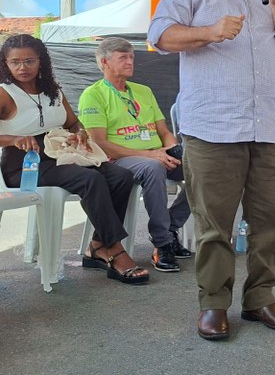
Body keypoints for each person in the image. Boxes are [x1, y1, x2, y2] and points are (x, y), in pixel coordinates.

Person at [148, 0, 275, 340]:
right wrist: (209, 32)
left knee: (271, 220)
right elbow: (159, 34)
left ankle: (261, 299)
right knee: (214, 222)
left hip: (271, 124)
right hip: (214, 124)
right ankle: (214, 304)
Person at [0, 34, 148, 284]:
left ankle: (99, 244)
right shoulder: (4, 93)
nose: (22, 68)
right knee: (89, 179)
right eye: (15, 62)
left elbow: (72, 122)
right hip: (25, 164)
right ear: (5, 63)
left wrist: (79, 133)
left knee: (122, 176)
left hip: (61, 154)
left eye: (29, 61)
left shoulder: (53, 91)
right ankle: (115, 250)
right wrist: (13, 139)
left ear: (41, 62)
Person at [78, 37, 192, 273]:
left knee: (201, 167)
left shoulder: (143, 91)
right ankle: (161, 244)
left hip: (155, 153)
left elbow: (163, 130)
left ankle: (171, 227)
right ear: (104, 63)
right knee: (153, 168)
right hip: (119, 159)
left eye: (131, 57)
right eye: (123, 57)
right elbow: (100, 143)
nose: (130, 62)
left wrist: (171, 148)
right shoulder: (93, 94)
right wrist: (151, 155)